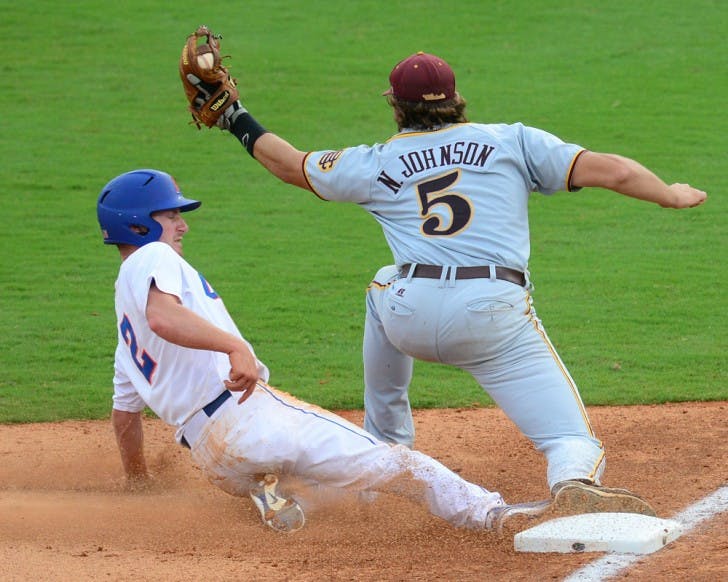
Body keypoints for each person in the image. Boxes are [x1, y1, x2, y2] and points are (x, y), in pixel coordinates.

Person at [206, 50, 707, 515]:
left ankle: (385, 449)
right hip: (492, 317)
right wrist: (669, 194)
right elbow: (613, 171)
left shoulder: (376, 160)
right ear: (456, 98)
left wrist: (235, 117)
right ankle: (573, 479)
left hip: (410, 313)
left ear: (396, 106)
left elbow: (289, 164)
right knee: (570, 439)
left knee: (383, 284)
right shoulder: (512, 140)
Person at [97, 167, 596, 535]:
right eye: (170, 215)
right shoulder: (151, 258)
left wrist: (139, 481)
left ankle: (270, 493)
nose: (182, 225)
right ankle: (494, 515)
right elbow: (165, 315)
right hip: (249, 420)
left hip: (212, 459)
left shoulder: (126, 338)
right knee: (397, 465)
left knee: (306, 469)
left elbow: (125, 419)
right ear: (138, 225)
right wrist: (233, 347)